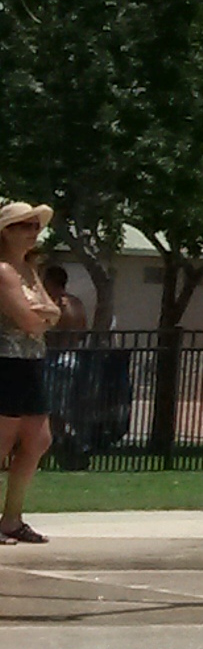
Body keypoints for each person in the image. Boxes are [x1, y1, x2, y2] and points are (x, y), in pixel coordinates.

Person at [0, 203, 59, 545]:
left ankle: (12, 518)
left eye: (35, 226)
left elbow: (53, 311)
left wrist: (46, 314)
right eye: (24, 226)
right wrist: (46, 316)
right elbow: (31, 320)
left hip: (32, 360)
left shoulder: (29, 268)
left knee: (38, 440)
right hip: (6, 361)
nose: (32, 232)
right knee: (3, 441)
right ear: (6, 231)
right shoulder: (4, 271)